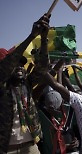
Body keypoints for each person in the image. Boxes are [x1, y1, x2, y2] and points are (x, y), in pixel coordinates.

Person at [0, 14, 50, 154]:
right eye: (16, 64)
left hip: (30, 146)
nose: (20, 67)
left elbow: (43, 68)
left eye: (22, 64)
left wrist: (44, 39)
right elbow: (6, 65)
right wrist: (31, 36)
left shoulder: (26, 84)